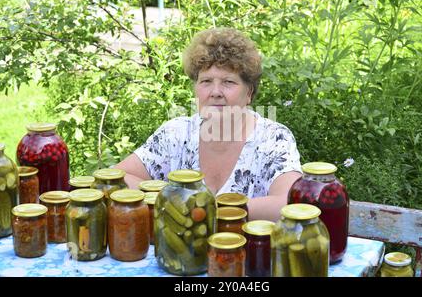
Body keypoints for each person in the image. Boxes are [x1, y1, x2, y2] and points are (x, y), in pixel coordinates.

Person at [115, 27, 302, 221]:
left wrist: (207, 210)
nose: (215, 92)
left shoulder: (274, 138)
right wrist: (173, 200)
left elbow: (290, 202)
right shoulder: (176, 133)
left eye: (228, 82)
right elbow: (117, 178)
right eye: (206, 81)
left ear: (249, 93)